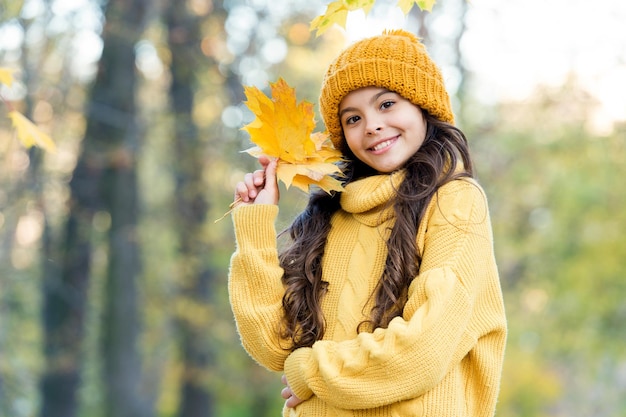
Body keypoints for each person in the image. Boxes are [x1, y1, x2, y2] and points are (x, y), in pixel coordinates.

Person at [228, 29, 507, 417]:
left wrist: (312, 371)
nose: (372, 125)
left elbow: (425, 349)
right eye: (353, 118)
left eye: (387, 104)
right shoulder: (330, 215)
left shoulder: (454, 200)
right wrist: (254, 224)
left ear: (423, 106)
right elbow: (275, 346)